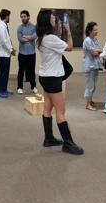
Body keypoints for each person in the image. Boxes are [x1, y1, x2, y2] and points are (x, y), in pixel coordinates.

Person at [34, 10, 83, 155]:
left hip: (45, 76)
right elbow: (69, 47)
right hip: (53, 78)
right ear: (47, 21)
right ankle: (68, 143)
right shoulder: (50, 38)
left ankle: (49, 138)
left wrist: (59, 31)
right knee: (61, 112)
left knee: (47, 108)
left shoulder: (42, 38)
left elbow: (56, 45)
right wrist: (68, 32)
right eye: (52, 18)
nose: (54, 19)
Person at [81, 21, 102, 111]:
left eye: (97, 29)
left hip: (95, 65)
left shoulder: (95, 40)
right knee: (90, 86)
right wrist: (99, 51)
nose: (97, 31)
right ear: (90, 31)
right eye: (95, 30)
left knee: (93, 85)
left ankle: (90, 100)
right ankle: (87, 104)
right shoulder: (87, 41)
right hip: (89, 66)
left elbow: (99, 50)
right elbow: (94, 53)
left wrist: (98, 51)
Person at [0, 9, 15, 98]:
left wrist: (11, 48)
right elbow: (4, 41)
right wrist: (11, 50)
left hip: (5, 53)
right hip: (3, 54)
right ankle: (0, 91)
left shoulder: (4, 26)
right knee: (2, 73)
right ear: (6, 16)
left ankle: (4, 89)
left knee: (5, 73)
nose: (9, 18)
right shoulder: (1, 27)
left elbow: (7, 39)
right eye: (9, 16)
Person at [16, 10, 38, 94]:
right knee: (21, 71)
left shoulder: (33, 27)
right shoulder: (19, 28)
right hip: (22, 53)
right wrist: (30, 38)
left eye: (24, 16)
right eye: (21, 17)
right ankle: (19, 87)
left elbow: (34, 36)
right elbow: (20, 39)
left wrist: (26, 37)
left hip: (32, 53)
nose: (23, 18)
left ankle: (33, 87)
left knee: (32, 71)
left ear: (28, 17)